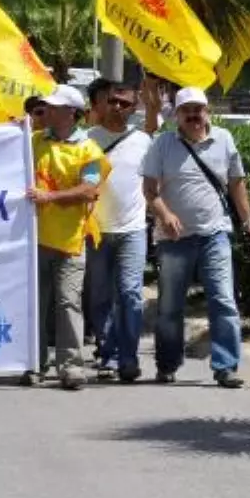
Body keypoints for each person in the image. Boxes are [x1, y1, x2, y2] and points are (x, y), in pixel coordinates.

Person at [144, 87, 250, 389]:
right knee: (171, 306)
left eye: (199, 109)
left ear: (207, 111)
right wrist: (164, 214)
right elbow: (149, 190)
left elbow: (237, 183)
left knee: (223, 301)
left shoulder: (224, 139)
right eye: (187, 111)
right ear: (177, 116)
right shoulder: (163, 144)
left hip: (215, 234)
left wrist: (248, 221)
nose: (194, 116)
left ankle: (226, 367)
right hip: (174, 239)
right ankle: (167, 364)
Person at [25, 84, 108, 390]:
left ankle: (71, 366)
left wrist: (49, 197)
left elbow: (89, 190)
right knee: (36, 303)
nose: (47, 111)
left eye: (55, 107)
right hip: (34, 239)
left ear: (71, 113)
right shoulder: (33, 141)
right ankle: (34, 363)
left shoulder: (89, 150)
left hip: (71, 240)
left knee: (67, 303)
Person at [86, 82, 156, 383]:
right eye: (112, 101)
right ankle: (107, 354)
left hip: (133, 230)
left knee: (130, 295)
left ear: (133, 108)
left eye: (124, 103)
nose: (117, 107)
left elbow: (156, 182)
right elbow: (87, 178)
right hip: (96, 231)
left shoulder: (144, 141)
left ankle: (128, 358)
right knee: (99, 297)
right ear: (102, 103)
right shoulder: (87, 139)